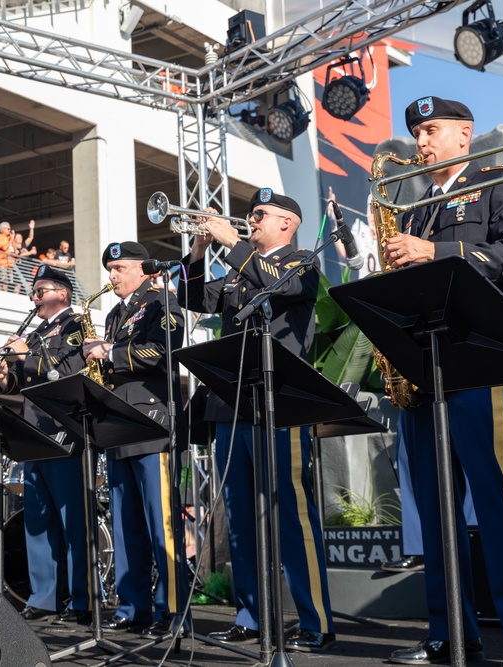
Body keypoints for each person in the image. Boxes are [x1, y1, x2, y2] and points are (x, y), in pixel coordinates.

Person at [383, 97, 503, 667]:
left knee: (500, 498)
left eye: (430, 131)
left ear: (464, 134)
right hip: (425, 370)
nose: (420, 142)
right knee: (434, 507)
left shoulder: (500, 181)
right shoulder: (416, 208)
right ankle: (447, 633)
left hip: (482, 361)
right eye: (415, 133)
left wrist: (438, 250)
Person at [178, 188, 336, 652]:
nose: (251, 220)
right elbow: (192, 297)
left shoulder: (302, 261)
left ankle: (316, 622)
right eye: (249, 215)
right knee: (241, 520)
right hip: (231, 406)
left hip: (279, 402)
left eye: (260, 214)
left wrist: (231, 243)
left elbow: (284, 287)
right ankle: (251, 616)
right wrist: (199, 250)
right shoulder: (237, 269)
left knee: (291, 513)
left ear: (288, 222)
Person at [82, 241, 187, 637]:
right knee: (126, 525)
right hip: (119, 424)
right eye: (110, 269)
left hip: (152, 421)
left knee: (162, 525)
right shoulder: (113, 313)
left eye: (120, 268)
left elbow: (163, 350)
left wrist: (109, 352)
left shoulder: (161, 301)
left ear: (144, 269)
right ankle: (133, 606)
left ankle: (174, 612)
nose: (112, 276)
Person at [0, 264, 91, 624]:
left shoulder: (75, 325)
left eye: (41, 290)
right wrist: (3, 377)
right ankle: (43, 597)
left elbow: (66, 372)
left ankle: (81, 601)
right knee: (38, 521)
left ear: (62, 292)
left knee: (72, 521)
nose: (34, 297)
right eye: (33, 291)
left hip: (64, 433)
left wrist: (24, 355)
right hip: (35, 434)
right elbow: (23, 384)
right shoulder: (37, 332)